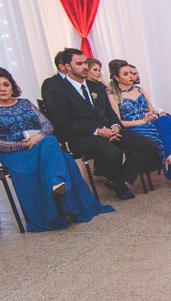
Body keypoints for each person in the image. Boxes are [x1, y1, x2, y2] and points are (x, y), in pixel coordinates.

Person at [0, 68, 113, 233]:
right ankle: (56, 184)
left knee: (54, 146)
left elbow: (47, 125)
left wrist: (38, 137)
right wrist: (24, 145)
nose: (2, 88)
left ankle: (56, 184)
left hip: (39, 145)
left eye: (6, 84)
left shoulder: (25, 103)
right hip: (15, 154)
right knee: (57, 150)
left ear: (12, 86)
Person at [41, 48, 161, 200]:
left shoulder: (96, 87)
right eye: (79, 64)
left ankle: (118, 180)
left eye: (85, 62)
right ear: (67, 67)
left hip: (110, 130)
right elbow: (63, 124)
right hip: (84, 135)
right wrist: (98, 131)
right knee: (113, 153)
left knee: (148, 145)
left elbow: (111, 113)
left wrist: (116, 126)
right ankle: (119, 184)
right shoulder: (56, 91)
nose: (85, 66)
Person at [108, 59, 171, 186]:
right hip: (133, 127)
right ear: (116, 77)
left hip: (149, 123)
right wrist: (142, 121)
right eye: (126, 74)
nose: (131, 76)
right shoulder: (113, 96)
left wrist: (152, 116)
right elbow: (119, 122)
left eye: (131, 73)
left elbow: (152, 111)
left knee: (166, 119)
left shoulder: (140, 90)